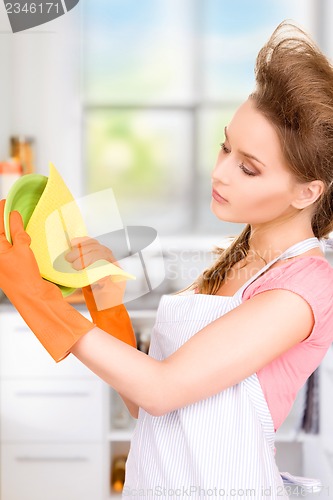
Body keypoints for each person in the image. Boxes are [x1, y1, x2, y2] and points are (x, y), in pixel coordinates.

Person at [1, 20, 333, 500]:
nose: (219, 171)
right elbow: (142, 402)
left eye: (248, 167)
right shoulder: (236, 260)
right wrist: (106, 300)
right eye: (225, 146)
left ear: (307, 192)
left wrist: (35, 299)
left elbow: (162, 391)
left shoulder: (303, 287)